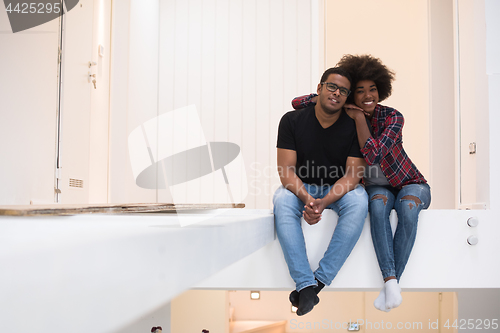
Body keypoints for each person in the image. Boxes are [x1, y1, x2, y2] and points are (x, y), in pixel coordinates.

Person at [292, 54, 431, 312]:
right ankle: (392, 285)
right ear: (350, 94)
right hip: (378, 187)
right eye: (359, 90)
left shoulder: (392, 117)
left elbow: (374, 154)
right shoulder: (343, 114)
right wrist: (333, 97)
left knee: (408, 209)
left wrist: (358, 119)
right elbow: (297, 102)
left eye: (373, 89)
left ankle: (391, 282)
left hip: (410, 183)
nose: (368, 95)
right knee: (376, 207)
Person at [274, 67, 368, 316]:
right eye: (332, 87)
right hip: (301, 187)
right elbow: (286, 172)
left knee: (359, 199)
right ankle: (305, 285)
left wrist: (323, 202)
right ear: (319, 88)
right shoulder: (291, 121)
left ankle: (316, 284)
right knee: (282, 198)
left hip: (337, 189)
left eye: (343, 91)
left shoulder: (352, 126)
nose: (337, 93)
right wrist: (307, 199)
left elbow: (353, 176)